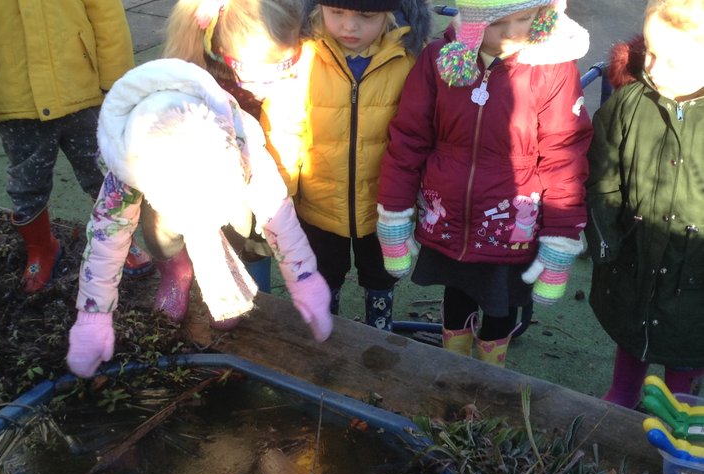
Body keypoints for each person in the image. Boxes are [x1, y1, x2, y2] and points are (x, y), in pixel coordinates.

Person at [66, 0, 333, 378]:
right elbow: (107, 236)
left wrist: (304, 279)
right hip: (169, 190)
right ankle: (177, 272)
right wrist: (92, 318)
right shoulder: (131, 157)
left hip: (224, 178)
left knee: (244, 229)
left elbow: (276, 210)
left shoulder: (238, 137)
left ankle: (229, 284)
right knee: (162, 235)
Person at [376, 0, 593, 366]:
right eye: (498, 23)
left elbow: (563, 154)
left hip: (509, 225)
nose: (512, 33)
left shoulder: (551, 70)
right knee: (456, 295)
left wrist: (562, 233)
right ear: (473, 22)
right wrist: (394, 213)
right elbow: (409, 137)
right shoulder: (439, 59)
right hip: (448, 216)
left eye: (524, 19)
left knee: (501, 304)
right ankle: (454, 368)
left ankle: (492, 374)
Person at [0, 0, 153, 293]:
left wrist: (115, 74)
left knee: (103, 170)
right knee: (26, 184)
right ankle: (42, 249)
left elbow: (105, 11)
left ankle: (120, 238)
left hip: (79, 86)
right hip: (15, 95)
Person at [277, 0, 431, 330]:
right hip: (319, 203)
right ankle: (324, 324)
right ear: (318, 11)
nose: (349, 26)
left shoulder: (406, 62)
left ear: (390, 16)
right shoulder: (305, 57)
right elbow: (285, 125)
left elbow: (417, 134)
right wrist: (283, 190)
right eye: (337, 14)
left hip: (382, 208)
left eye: (365, 16)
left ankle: (379, 330)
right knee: (324, 271)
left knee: (380, 274)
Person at [585, 0, 704, 408]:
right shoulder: (630, 104)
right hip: (634, 252)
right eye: (649, 51)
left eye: (672, 60)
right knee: (632, 329)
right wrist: (604, 237)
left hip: (695, 268)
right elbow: (604, 174)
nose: (652, 66)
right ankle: (623, 392)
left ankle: (680, 407)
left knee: (687, 343)